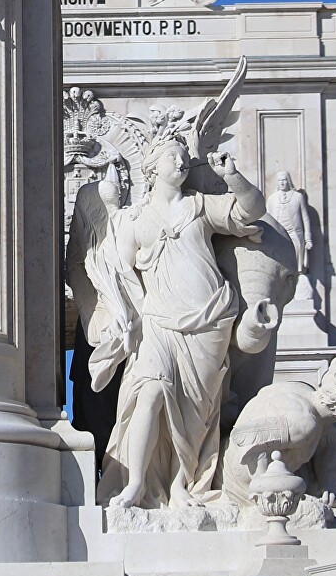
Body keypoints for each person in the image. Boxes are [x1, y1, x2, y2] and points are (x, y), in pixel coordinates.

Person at [94, 138, 265, 508]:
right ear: (152, 168)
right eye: (173, 156)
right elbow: (120, 276)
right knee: (149, 393)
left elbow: (250, 211)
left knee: (195, 415)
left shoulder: (199, 205)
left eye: (185, 157)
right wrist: (120, 321)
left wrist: (233, 177)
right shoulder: (134, 220)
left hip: (210, 320)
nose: (182, 161)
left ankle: (180, 486)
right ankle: (135, 484)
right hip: (157, 322)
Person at [222, 352, 336, 508]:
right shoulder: (304, 424)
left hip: (236, 469)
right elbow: (251, 445)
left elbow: (329, 446)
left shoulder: (304, 391)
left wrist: (328, 488)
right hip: (238, 486)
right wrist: (266, 491)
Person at [266, 171, 314, 302]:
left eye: (284, 180)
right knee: (279, 263)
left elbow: (306, 219)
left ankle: (298, 287)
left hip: (295, 234)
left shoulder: (298, 197)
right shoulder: (272, 199)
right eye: (280, 180)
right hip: (278, 235)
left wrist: (308, 238)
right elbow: (267, 219)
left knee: (297, 264)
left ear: (288, 181)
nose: (282, 183)